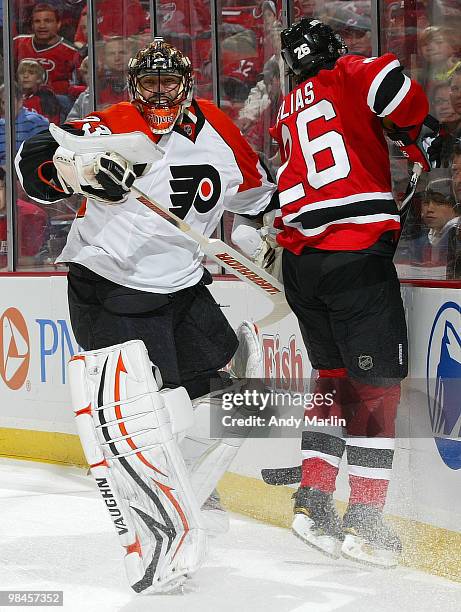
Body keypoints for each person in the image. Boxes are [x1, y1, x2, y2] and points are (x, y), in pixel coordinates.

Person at [15, 37, 277, 591]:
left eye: (169, 83)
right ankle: (152, 529)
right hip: (108, 287)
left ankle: (192, 491)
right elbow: (33, 160)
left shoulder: (222, 133)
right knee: (142, 416)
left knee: (221, 402)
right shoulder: (112, 124)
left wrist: (270, 236)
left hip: (182, 287)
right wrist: (74, 173)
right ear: (134, 88)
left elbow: (260, 196)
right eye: (148, 84)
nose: (159, 94)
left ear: (188, 87)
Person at [271, 17, 433, 567]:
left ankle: (313, 503)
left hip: (302, 261)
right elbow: (399, 94)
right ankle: (363, 524)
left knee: (333, 380)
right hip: (353, 255)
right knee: (376, 392)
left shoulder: (289, 103)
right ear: (333, 51)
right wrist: (418, 131)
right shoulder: (348, 72)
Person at [13, 3, 81, 97]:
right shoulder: (17, 43)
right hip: (20, 101)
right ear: (32, 25)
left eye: (47, 21)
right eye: (37, 21)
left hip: (57, 105)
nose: (42, 26)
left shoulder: (71, 52)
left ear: (58, 24)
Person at [0, 82, 49, 165]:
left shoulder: (36, 122)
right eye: (3, 102)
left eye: (9, 101)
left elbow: (42, 156)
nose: (5, 107)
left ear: (20, 101)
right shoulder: (1, 124)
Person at [17, 59, 61, 124]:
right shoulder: (12, 97)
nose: (25, 76)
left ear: (39, 79)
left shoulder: (46, 97)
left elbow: (52, 124)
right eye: (22, 73)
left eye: (31, 73)